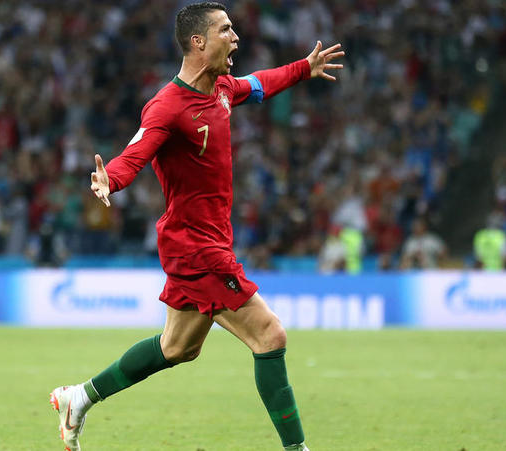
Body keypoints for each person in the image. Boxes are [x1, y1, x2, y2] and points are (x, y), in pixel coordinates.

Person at [49, 3, 343, 450]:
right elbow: (137, 151)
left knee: (177, 347)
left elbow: (260, 84)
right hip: (196, 247)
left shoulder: (223, 88)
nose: (236, 37)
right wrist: (112, 177)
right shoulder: (167, 106)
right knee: (269, 334)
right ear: (198, 42)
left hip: (204, 240)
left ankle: (78, 398)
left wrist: (304, 67)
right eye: (226, 29)